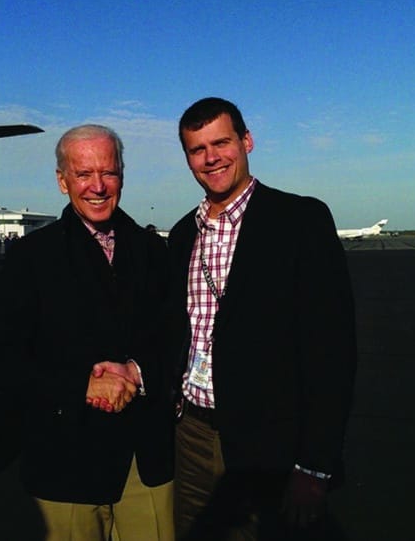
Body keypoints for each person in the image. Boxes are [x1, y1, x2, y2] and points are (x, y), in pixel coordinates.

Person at [167, 98, 357, 540]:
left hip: (270, 445)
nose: (211, 157)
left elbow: (332, 352)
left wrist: (314, 465)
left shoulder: (300, 220)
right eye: (197, 149)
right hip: (191, 433)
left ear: (246, 141)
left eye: (222, 142)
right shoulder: (181, 235)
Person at [0, 124, 174, 540]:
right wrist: (81, 385)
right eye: (84, 174)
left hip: (145, 461)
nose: (98, 187)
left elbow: (178, 337)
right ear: (62, 181)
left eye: (109, 172)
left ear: (122, 174)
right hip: (65, 460)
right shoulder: (32, 257)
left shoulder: (154, 251)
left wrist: (137, 371)